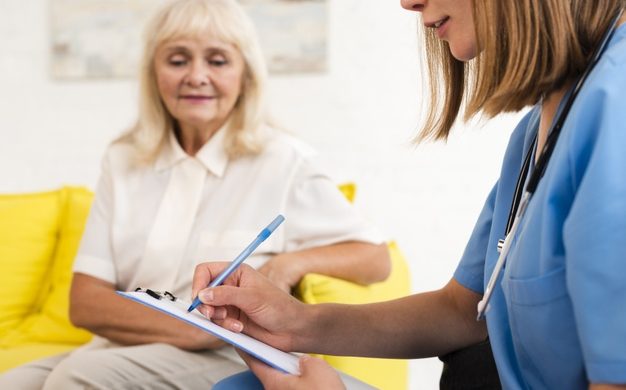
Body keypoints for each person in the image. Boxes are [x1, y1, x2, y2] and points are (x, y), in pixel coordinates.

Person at [190, 0, 626, 389]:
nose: (407, 3)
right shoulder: (534, 133)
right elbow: (463, 310)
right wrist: (295, 323)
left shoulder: (615, 108)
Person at [0, 0, 390, 388]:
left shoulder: (284, 160)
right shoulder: (123, 160)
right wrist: (188, 329)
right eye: (177, 60)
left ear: (246, 75)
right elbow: (85, 302)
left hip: (227, 351)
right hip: (127, 346)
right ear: (154, 73)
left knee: (78, 379)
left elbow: (375, 259)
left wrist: (286, 265)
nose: (196, 76)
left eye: (218, 61)